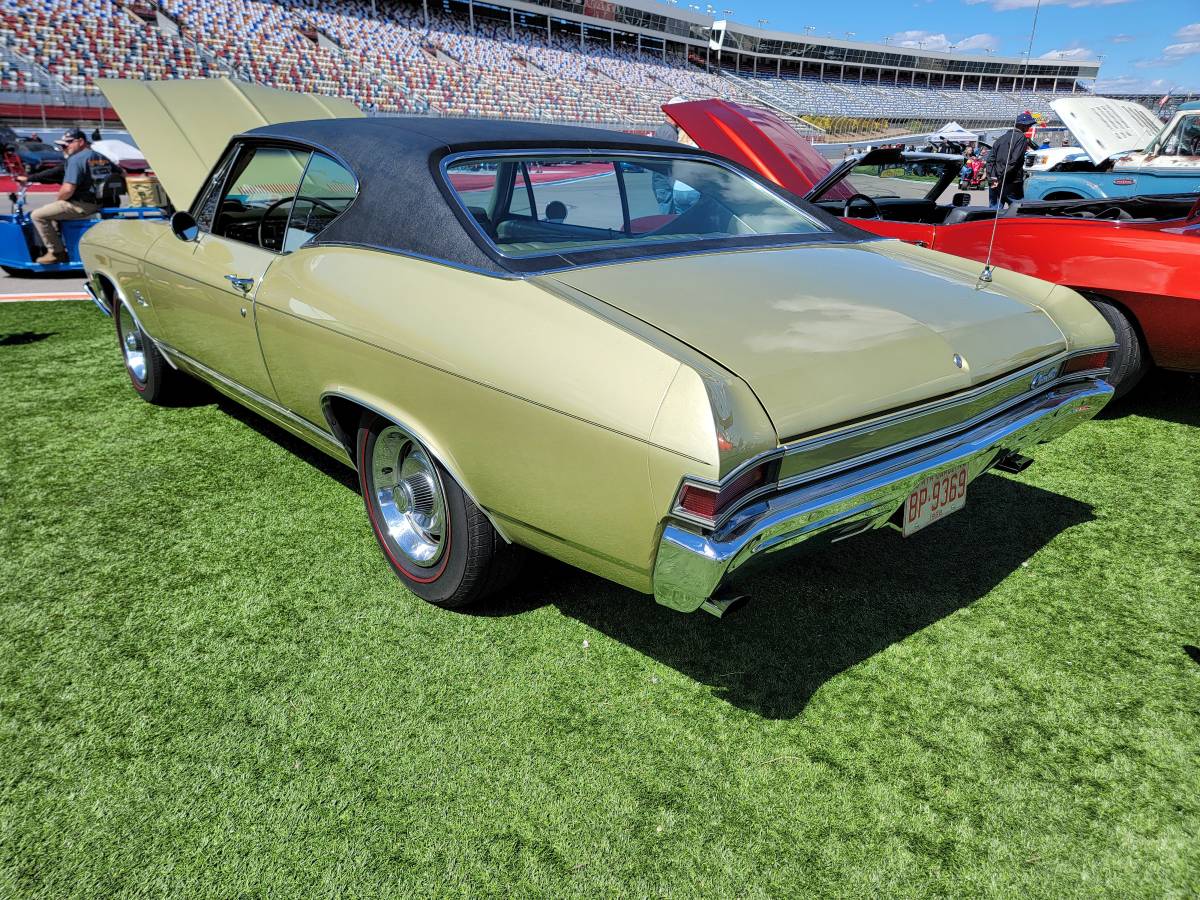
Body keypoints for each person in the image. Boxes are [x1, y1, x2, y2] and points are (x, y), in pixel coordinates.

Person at [16, 128, 112, 263]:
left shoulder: (76, 159)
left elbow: (67, 189)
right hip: (99, 202)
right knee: (52, 214)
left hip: (82, 205)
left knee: (37, 215)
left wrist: (58, 200)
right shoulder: (100, 156)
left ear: (80, 142)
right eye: (62, 145)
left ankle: (56, 253)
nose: (64, 147)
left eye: (67, 143)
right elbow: (121, 174)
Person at [986, 112, 1037, 208]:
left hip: (996, 180)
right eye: (1028, 125)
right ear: (1023, 125)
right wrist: (1001, 177)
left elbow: (990, 160)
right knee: (1017, 210)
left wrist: (992, 177)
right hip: (1011, 181)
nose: (1029, 127)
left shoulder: (1000, 139)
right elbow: (1014, 160)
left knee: (993, 212)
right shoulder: (1021, 138)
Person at [652, 113, 681, 215]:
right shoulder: (670, 132)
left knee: (666, 212)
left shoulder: (663, 129)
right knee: (667, 216)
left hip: (660, 179)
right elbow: (671, 159)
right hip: (666, 180)